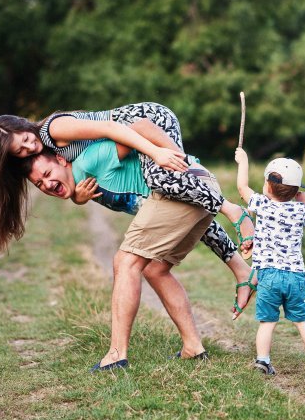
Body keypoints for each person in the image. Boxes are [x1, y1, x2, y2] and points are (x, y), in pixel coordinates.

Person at [0, 102, 257, 316]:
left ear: (23, 125)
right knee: (182, 201)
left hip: (149, 121)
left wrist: (156, 151)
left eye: (25, 139)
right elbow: (75, 177)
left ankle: (235, 211)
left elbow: (114, 129)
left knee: (161, 178)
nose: (29, 147)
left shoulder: (53, 130)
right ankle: (241, 271)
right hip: (138, 132)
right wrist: (77, 198)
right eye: (20, 152)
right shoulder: (47, 152)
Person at [22, 144, 220, 369]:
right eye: (39, 183)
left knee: (125, 262)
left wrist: (158, 150)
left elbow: (133, 130)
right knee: (155, 269)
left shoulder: (90, 158)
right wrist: (77, 197)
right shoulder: (81, 176)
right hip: (203, 184)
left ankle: (117, 354)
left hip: (182, 188)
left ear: (61, 159)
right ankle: (193, 347)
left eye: (47, 174)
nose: (47, 184)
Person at [234, 149, 305, 377]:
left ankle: (263, 361)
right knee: (303, 320)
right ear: (297, 191)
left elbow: (242, 189)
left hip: (268, 275)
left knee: (267, 322)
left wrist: (243, 161)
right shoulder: (299, 209)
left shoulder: (262, 205)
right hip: (295, 275)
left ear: (267, 186)